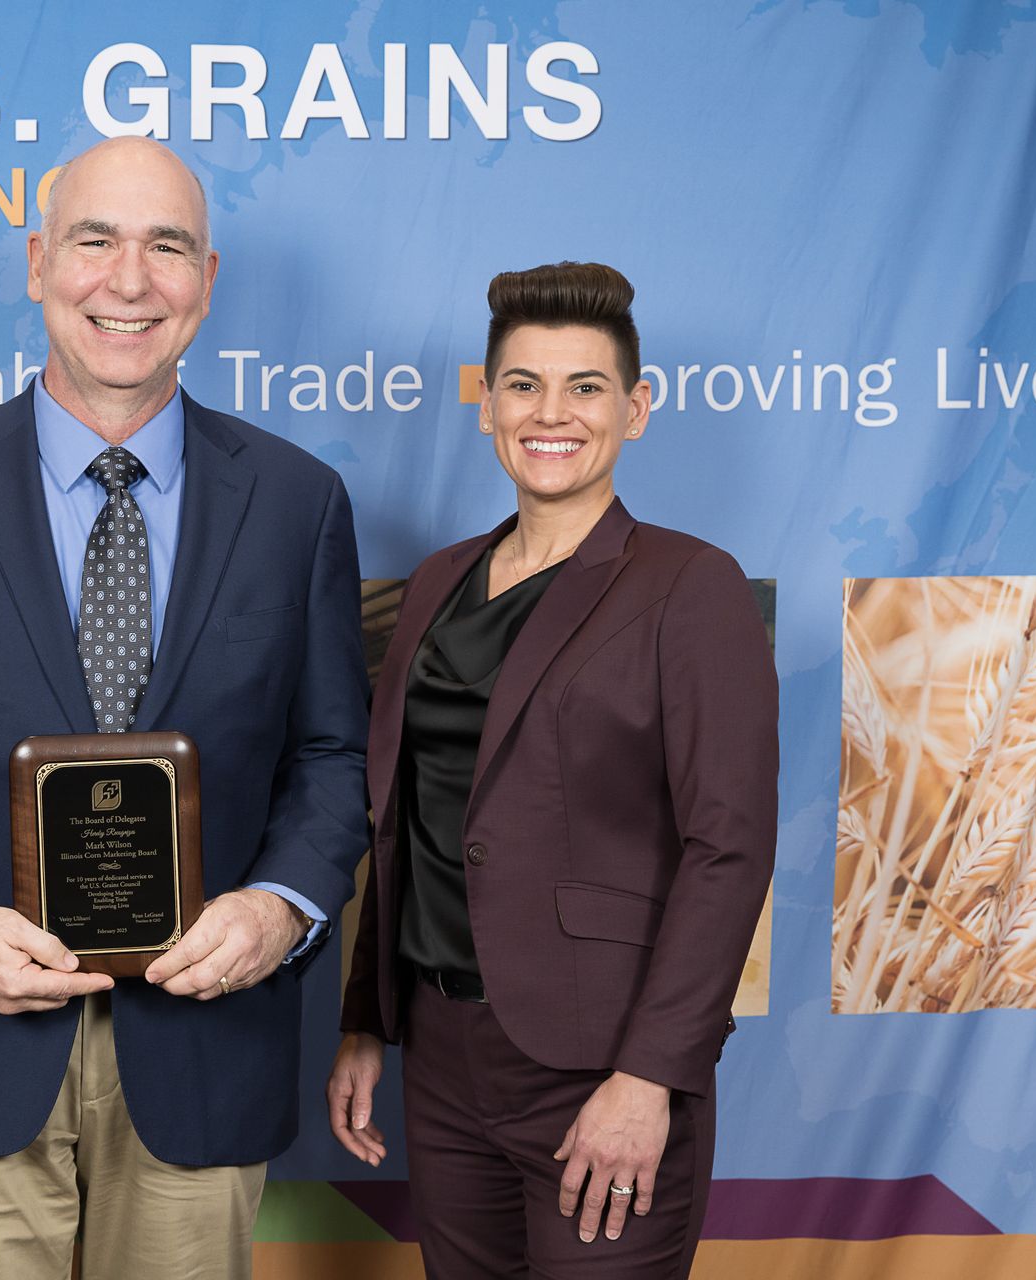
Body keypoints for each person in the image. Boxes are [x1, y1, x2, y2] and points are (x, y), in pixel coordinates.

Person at [0, 136, 369, 1280]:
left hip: (203, 1050)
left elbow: (332, 754)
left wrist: (282, 906)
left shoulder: (298, 500)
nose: (130, 279)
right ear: (37, 261)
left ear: (209, 277)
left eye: (168, 246)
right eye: (96, 240)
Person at [326, 262, 777, 1279]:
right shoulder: (439, 579)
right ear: (488, 405)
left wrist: (650, 1075)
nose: (552, 412)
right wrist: (366, 1018)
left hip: (600, 1059)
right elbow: (407, 818)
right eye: (524, 384)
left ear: (636, 409)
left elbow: (729, 847)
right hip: (441, 1052)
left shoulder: (689, 585)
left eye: (585, 387)